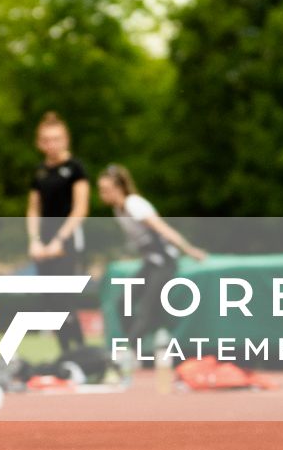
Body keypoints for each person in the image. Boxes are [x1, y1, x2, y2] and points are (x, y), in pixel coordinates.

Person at [96, 165, 208, 363]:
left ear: (118, 188)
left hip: (165, 261)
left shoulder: (134, 204)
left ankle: (130, 351)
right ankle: (143, 343)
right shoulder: (118, 210)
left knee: (146, 307)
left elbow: (162, 228)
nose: (101, 194)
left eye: (105, 189)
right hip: (150, 261)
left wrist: (189, 249)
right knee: (124, 302)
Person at [26, 112, 89, 351]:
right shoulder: (39, 171)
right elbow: (33, 209)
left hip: (67, 242)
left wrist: (59, 240)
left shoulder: (75, 168)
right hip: (43, 244)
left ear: (66, 139)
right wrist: (35, 241)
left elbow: (80, 207)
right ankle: (66, 353)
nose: (52, 144)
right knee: (49, 301)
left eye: (57, 139)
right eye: (47, 139)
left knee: (65, 299)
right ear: (40, 143)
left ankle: (82, 351)